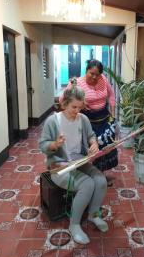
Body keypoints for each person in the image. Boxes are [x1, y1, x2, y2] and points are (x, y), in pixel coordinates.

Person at [39, 82, 108, 245]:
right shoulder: (52, 121)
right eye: (73, 107)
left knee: (101, 181)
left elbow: (91, 135)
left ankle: (93, 215)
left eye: (80, 107)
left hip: (79, 160)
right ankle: (74, 225)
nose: (77, 111)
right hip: (59, 166)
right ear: (64, 104)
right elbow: (42, 145)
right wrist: (55, 144)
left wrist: (94, 144)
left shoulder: (83, 119)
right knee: (87, 185)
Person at [60, 59, 118, 180]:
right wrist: (80, 103)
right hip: (86, 122)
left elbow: (111, 95)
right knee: (88, 149)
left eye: (97, 74)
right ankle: (86, 175)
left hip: (104, 119)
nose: (94, 76)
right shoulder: (76, 83)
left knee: (105, 148)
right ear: (86, 71)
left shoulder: (103, 80)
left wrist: (112, 115)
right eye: (91, 73)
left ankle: (100, 175)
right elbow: (62, 99)